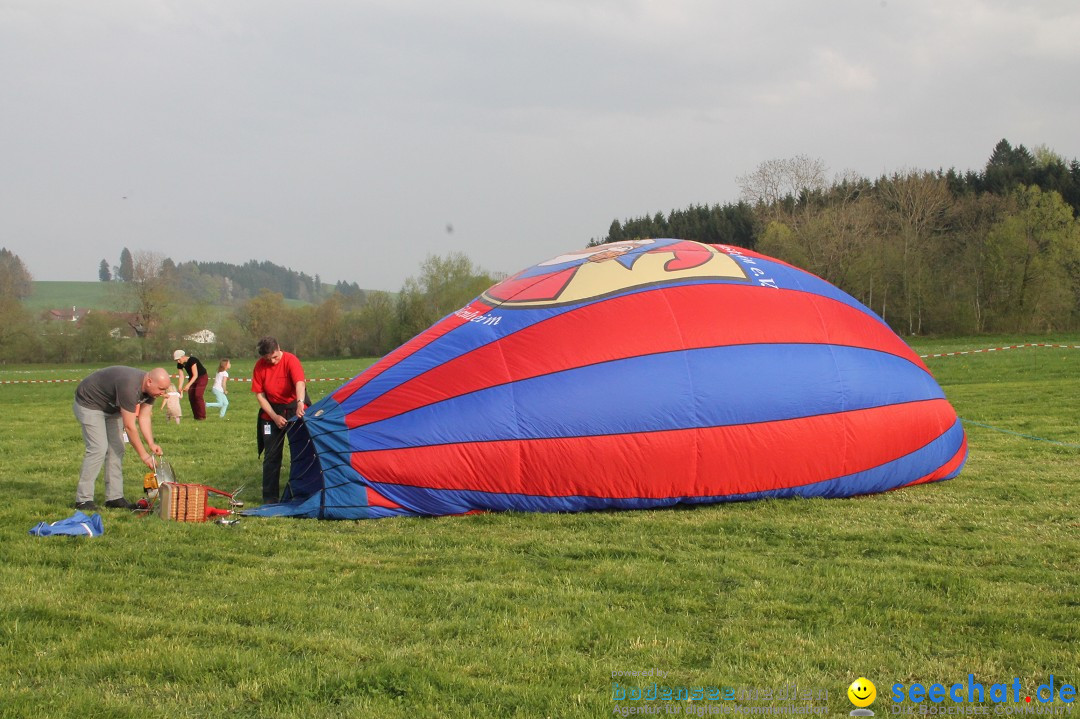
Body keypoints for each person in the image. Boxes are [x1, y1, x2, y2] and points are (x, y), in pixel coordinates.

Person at [73, 366, 173, 510]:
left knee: (117, 448)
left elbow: (144, 417)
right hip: (89, 402)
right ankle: (83, 500)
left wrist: (151, 443)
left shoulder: (151, 391)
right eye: (161, 389)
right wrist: (144, 456)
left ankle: (114, 498)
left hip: (112, 408)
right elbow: (130, 427)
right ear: (150, 381)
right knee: (98, 448)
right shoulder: (130, 386)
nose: (163, 393)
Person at [251, 337, 307, 504]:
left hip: (294, 407)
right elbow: (260, 395)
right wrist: (274, 417)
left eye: (275, 357)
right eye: (268, 359)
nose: (273, 361)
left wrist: (300, 403)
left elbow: (299, 383)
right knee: (271, 456)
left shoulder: (291, 360)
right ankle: (270, 497)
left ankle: (302, 492)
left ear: (279, 348)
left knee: (303, 452)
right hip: (271, 412)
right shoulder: (260, 367)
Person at [173, 349, 209, 420]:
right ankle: (196, 417)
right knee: (191, 396)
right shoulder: (180, 364)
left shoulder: (192, 360)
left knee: (198, 395)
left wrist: (188, 385)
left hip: (202, 377)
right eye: (176, 360)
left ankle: (202, 417)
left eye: (178, 359)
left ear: (183, 356)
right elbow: (181, 376)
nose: (178, 361)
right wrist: (180, 387)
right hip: (192, 378)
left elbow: (195, 375)